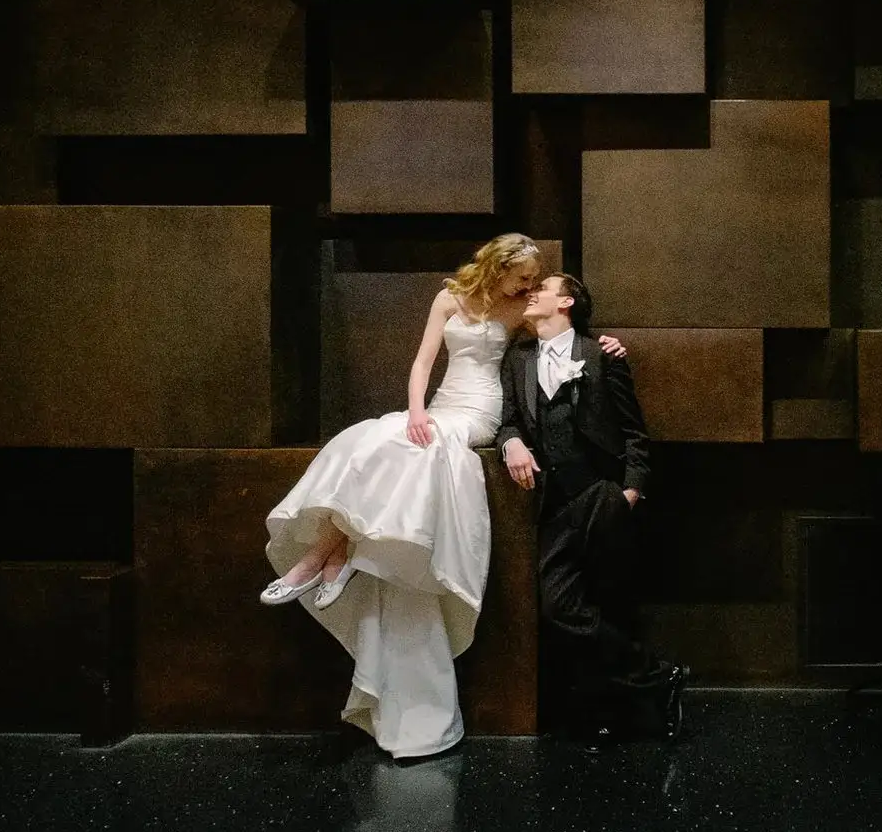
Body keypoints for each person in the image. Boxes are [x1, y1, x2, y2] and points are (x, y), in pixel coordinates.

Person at [259, 234, 627, 758]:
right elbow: (422, 362)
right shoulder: (450, 297)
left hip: (479, 412)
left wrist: (605, 343)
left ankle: (326, 558)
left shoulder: (517, 307)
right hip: (440, 402)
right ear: (497, 268)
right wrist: (414, 410)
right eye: (522, 276)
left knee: (428, 451)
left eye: (532, 281)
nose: (528, 286)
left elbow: (559, 333)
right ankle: (332, 552)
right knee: (372, 437)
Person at [496, 272, 688, 745]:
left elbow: (634, 433)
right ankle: (657, 675)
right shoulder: (517, 359)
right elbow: (508, 420)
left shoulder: (602, 355)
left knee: (609, 605)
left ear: (565, 302)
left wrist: (631, 491)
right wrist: (512, 441)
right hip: (553, 506)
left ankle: (611, 718)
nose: (532, 292)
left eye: (542, 287)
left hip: (601, 496)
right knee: (559, 609)